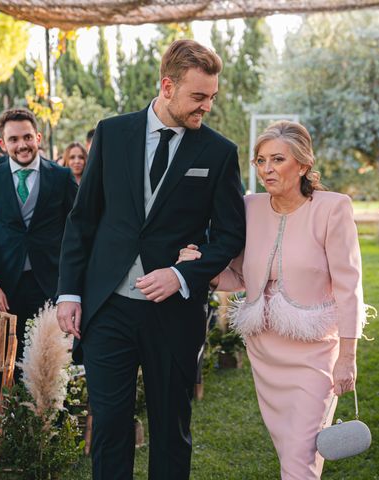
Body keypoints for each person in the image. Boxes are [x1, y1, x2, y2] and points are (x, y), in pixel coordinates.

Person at [56, 39, 246, 480]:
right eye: (198, 97)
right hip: (108, 310)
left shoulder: (218, 153)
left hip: (174, 314)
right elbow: (83, 219)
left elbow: (230, 235)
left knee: (170, 430)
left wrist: (182, 274)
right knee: (109, 428)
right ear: (167, 86)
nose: (207, 108)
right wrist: (69, 291)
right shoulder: (112, 132)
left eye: (212, 97)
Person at [177, 121, 364, 479]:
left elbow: (348, 286)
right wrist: (203, 268)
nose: (266, 169)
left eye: (277, 159)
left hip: (313, 355)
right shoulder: (249, 207)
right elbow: (242, 277)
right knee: (293, 451)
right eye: (260, 160)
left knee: (299, 453)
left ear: (304, 164)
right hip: (264, 350)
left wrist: (347, 357)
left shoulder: (333, 208)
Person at [0, 108, 78, 367]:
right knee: (12, 361)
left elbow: (79, 229)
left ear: (38, 137)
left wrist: (72, 285)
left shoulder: (61, 177)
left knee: (52, 359)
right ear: (2, 143)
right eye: (14, 139)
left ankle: (52, 408)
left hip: (52, 283)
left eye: (27, 137)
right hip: (6, 287)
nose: (22, 145)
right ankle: (13, 409)